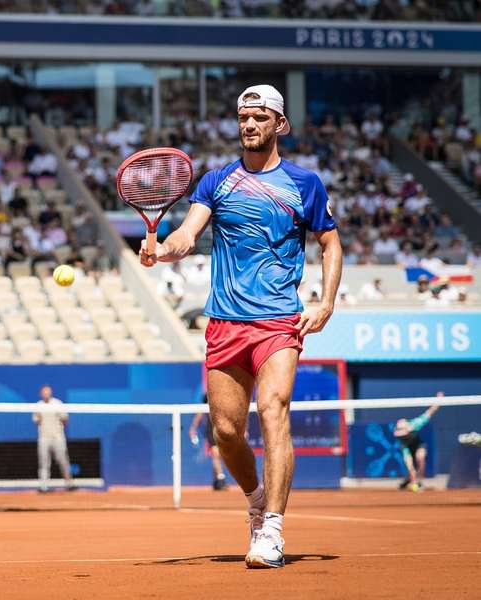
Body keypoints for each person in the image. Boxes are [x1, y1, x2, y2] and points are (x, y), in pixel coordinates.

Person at [139, 84, 342, 568]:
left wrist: (326, 302)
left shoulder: (304, 184)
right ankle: (255, 500)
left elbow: (330, 245)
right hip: (225, 322)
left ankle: (272, 529)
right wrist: (160, 249)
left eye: (259, 117)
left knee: (274, 410)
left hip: (277, 321)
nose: (249, 124)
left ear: (279, 125)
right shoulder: (216, 181)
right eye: (243, 117)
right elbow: (187, 235)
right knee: (226, 431)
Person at [33, 385, 75, 493]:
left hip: (58, 437)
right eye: (44, 392)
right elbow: (36, 421)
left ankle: (69, 484)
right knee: (43, 462)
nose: (46, 394)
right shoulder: (38, 405)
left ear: (50, 393)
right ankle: (43, 486)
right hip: (44, 438)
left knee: (62, 460)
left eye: (48, 392)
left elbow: (65, 419)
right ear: (41, 394)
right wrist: (38, 417)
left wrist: (60, 428)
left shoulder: (58, 403)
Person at [394, 401, 440, 492]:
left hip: (418, 445)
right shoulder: (397, 432)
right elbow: (398, 433)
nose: (401, 430)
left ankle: (418, 482)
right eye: (399, 428)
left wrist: (438, 400)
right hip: (406, 447)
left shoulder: (415, 423)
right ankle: (411, 481)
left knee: (421, 459)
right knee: (410, 466)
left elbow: (430, 412)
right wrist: (406, 430)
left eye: (403, 427)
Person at [189, 395, 227, 490]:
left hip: (221, 430)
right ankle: (221, 478)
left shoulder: (223, 398)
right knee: (215, 454)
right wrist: (193, 428)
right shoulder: (206, 398)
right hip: (211, 431)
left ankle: (216, 480)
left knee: (219, 457)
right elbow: (199, 414)